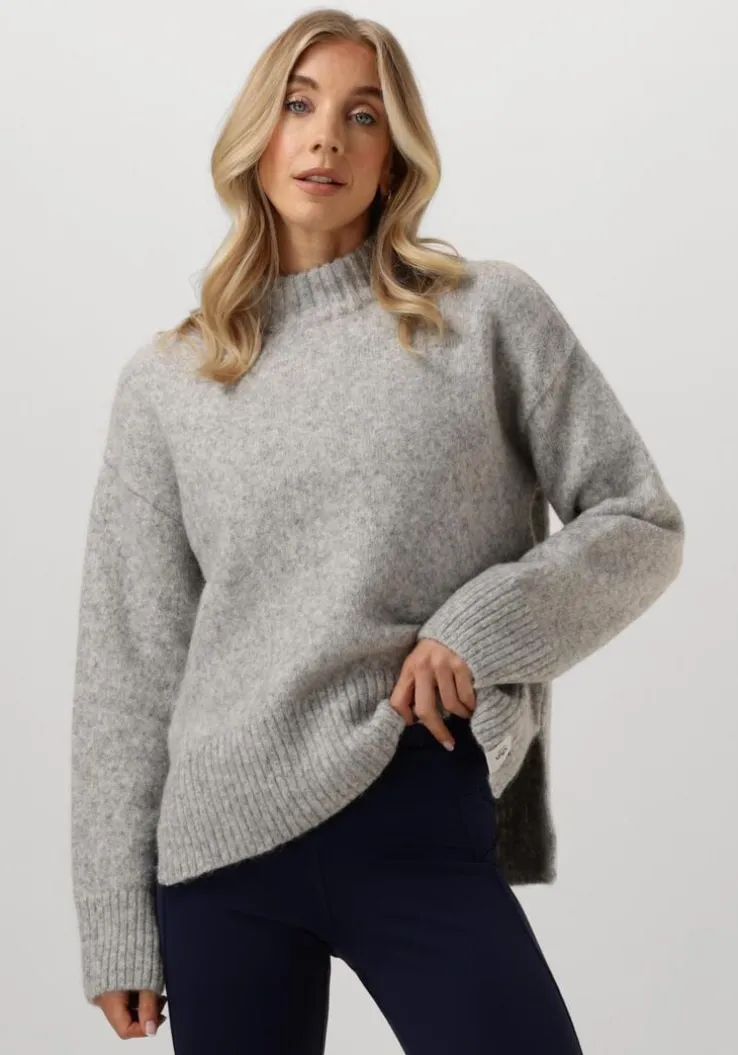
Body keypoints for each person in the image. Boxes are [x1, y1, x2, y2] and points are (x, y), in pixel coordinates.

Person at [70, 8, 685, 1053]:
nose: (326, 137)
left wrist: (478, 629)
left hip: (415, 794)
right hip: (222, 851)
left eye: (364, 115)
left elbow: (639, 519)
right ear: (257, 133)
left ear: (395, 152)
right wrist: (115, 918)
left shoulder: (486, 315)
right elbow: (129, 663)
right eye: (299, 106)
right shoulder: (170, 380)